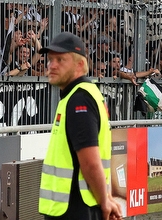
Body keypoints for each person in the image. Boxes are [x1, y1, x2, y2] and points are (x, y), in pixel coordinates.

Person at [38, 32, 119, 220]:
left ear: (80, 65)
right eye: (50, 60)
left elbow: (90, 162)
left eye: (60, 59)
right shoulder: (84, 93)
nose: (52, 65)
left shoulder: (78, 99)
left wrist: (105, 201)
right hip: (78, 205)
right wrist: (105, 198)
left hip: (74, 208)